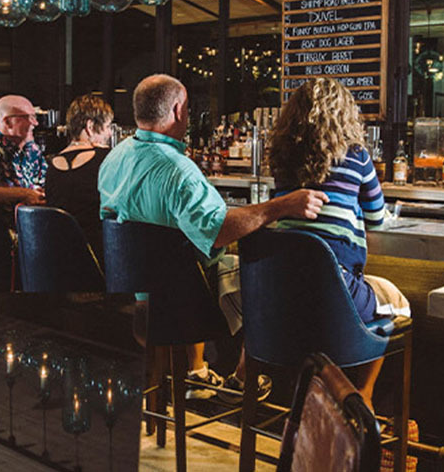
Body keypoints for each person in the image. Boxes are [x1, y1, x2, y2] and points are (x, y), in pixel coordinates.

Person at [99, 74, 328, 401]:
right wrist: (281, 206)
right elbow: (218, 231)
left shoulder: (114, 158)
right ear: (178, 111)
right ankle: (245, 381)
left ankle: (196, 374)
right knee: (269, 277)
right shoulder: (178, 170)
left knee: (194, 262)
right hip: (181, 308)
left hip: (128, 299)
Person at [269, 77, 410, 409]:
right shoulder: (357, 156)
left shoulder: (282, 159)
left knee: (317, 313)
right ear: (345, 114)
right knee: (398, 305)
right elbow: (377, 218)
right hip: (336, 293)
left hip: (280, 297)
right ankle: (364, 396)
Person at [45, 95, 113, 263]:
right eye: (107, 127)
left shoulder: (52, 164)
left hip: (56, 258)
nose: (110, 133)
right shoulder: (106, 158)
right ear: (90, 126)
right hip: (97, 258)